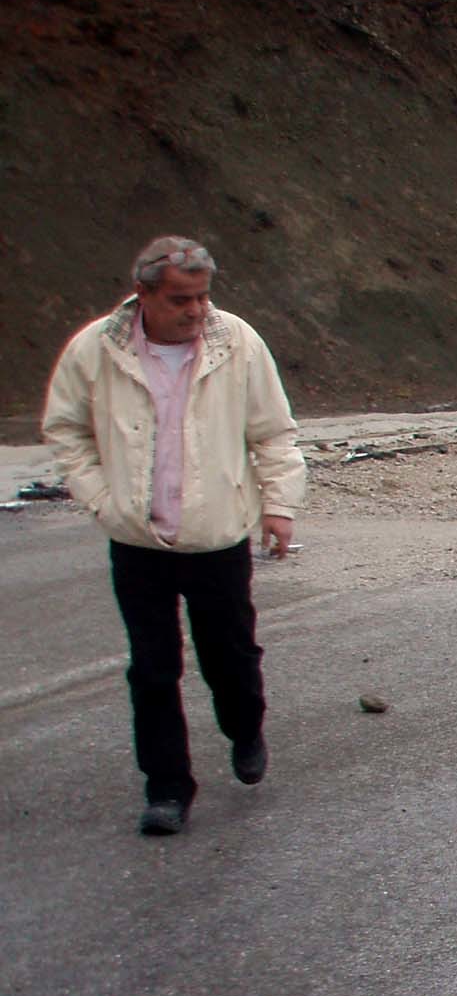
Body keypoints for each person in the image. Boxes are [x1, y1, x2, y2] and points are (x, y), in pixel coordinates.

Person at [41, 236, 308, 836]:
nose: (195, 311)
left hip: (218, 537)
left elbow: (273, 432)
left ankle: (245, 728)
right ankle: (166, 788)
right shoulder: (96, 349)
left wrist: (279, 506)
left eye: (202, 296)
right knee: (153, 669)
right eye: (180, 299)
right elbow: (65, 430)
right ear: (144, 296)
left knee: (231, 657)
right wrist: (101, 500)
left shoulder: (235, 342)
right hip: (138, 541)